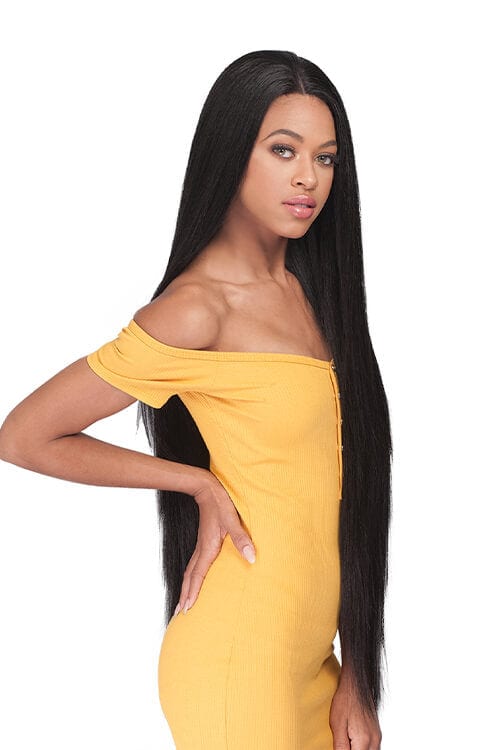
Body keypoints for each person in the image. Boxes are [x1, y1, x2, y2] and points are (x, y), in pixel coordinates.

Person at [0, 49, 392, 749]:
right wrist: (195, 482)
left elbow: (349, 497)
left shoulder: (315, 294)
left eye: (326, 158)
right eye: (283, 150)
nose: (308, 177)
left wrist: (357, 676)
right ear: (230, 152)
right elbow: (25, 435)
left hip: (316, 664)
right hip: (237, 659)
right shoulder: (197, 309)